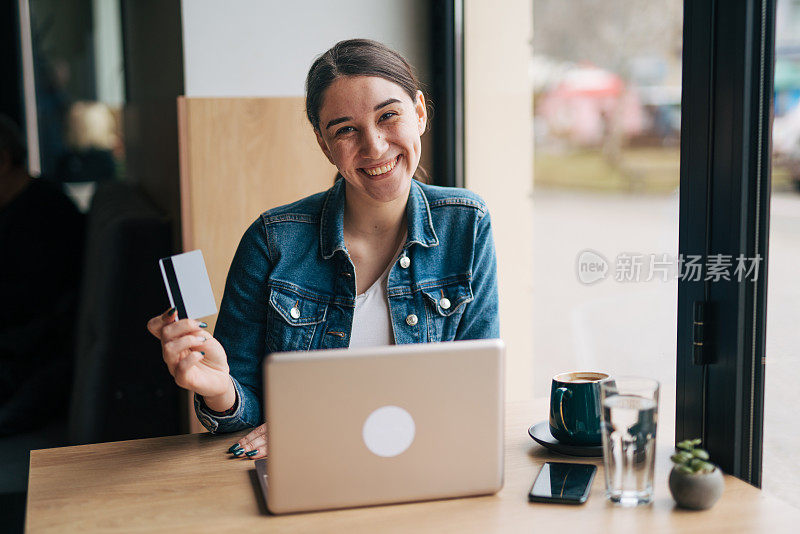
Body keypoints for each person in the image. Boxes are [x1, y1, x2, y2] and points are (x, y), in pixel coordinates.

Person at [146, 39, 499, 459]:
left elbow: (475, 392)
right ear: (323, 143)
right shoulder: (272, 240)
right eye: (345, 129)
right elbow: (245, 415)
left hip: (424, 459)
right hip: (309, 466)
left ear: (419, 113)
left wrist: (324, 424)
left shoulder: (467, 223)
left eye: (389, 115)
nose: (374, 147)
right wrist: (221, 388)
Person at [0, 114, 84, 435]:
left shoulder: (45, 214)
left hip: (30, 358)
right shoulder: (19, 208)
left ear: (3, 159)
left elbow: (30, 306)